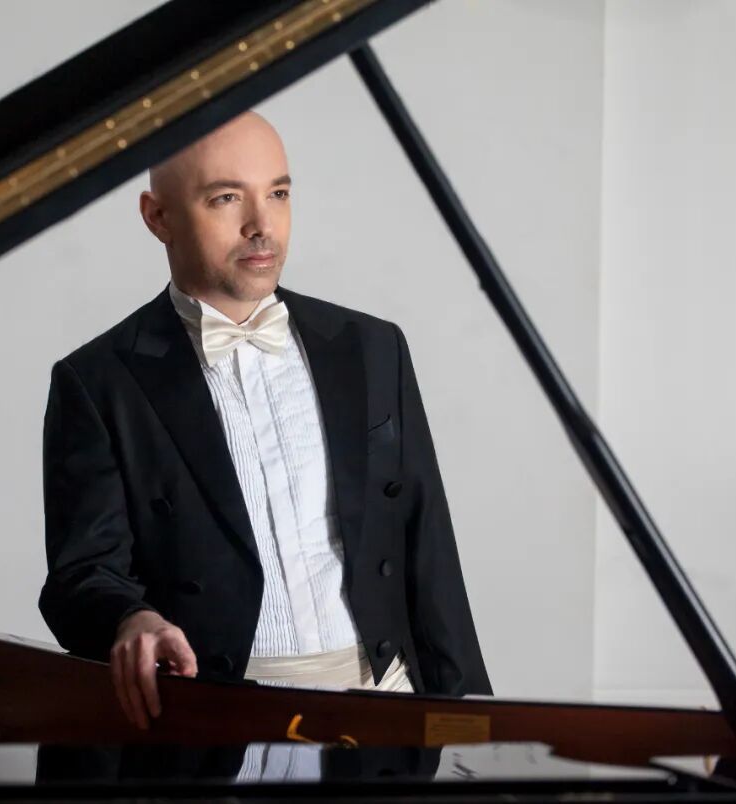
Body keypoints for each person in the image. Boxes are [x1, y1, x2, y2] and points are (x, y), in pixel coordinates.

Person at [39, 111, 491, 731]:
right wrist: (129, 618)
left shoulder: (371, 347)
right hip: (217, 717)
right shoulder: (98, 381)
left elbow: (428, 547)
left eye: (278, 194)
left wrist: (474, 730)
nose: (261, 225)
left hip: (386, 701)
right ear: (158, 217)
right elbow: (82, 574)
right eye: (226, 198)